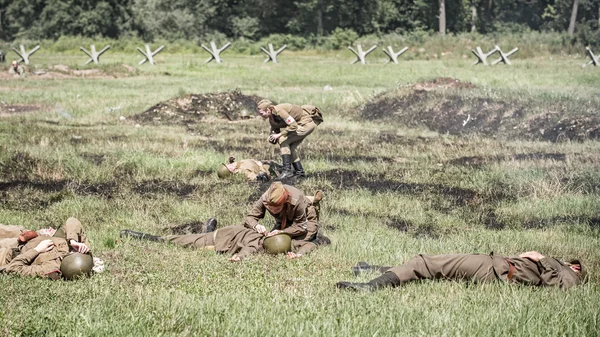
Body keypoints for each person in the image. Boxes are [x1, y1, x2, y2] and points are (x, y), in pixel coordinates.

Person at [336, 251, 583, 291]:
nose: (573, 264)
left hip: (494, 269)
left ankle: (371, 286)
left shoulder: (572, 275)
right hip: (495, 267)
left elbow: (558, 287)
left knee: (426, 262)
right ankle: (374, 271)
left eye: (576, 265)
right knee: (433, 266)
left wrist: (542, 259)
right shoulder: (562, 267)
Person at [120, 218, 330, 262]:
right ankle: (143, 236)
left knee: (196, 245)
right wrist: (239, 258)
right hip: (224, 237)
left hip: (226, 242)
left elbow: (310, 245)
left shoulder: (290, 242)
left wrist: (299, 254)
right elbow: (249, 250)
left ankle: (207, 228)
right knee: (181, 241)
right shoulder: (261, 242)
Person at [244, 182, 323, 257]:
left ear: (285, 202)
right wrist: (257, 226)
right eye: (271, 208)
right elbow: (250, 218)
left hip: (305, 219)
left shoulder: (296, 199)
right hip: (284, 221)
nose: (274, 211)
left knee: (294, 244)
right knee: (270, 243)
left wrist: (282, 232)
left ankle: (317, 238)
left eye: (277, 208)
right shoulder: (265, 198)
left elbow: (301, 226)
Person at [0, 218, 93, 279]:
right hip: (26, 236)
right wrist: (73, 241)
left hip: (7, 254)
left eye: (72, 252)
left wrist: (37, 250)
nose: (72, 250)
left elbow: (13, 268)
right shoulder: (82, 249)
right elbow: (72, 221)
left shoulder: (50, 268)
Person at [256, 99, 323, 179]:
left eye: (261, 113)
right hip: (299, 125)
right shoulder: (272, 119)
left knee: (283, 141)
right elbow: (274, 132)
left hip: (305, 124)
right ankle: (300, 172)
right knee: (290, 147)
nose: (261, 116)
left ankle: (287, 171)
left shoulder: (279, 111)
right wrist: (272, 137)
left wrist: (279, 135)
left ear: (267, 110)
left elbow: (293, 125)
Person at [217, 156, 281, 182]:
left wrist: (230, 161)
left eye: (228, 164)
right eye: (229, 166)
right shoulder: (242, 172)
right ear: (231, 171)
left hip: (264, 163)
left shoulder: (236, 166)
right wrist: (261, 168)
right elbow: (257, 177)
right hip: (268, 168)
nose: (229, 164)